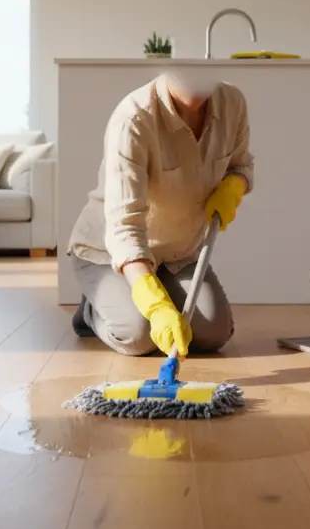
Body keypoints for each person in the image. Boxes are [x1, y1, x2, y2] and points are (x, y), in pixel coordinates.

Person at [66, 70, 253, 359]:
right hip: (109, 252)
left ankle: (154, 290)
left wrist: (234, 186)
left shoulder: (232, 102)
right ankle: (91, 311)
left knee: (214, 333)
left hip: (177, 253)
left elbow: (241, 165)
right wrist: (156, 306)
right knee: (139, 336)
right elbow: (124, 228)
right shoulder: (133, 119)